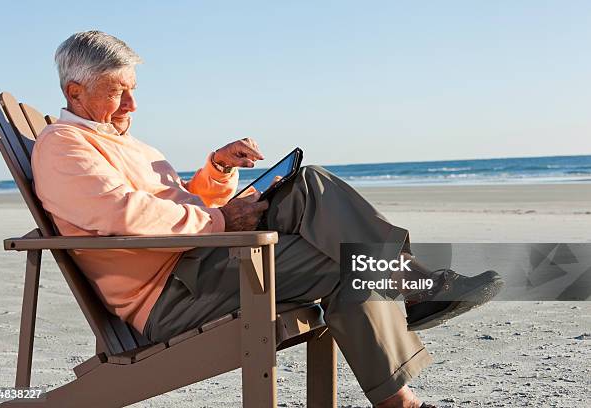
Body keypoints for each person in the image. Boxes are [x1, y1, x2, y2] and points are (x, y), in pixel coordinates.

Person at [32, 30, 502, 408]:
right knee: (344, 262)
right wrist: (220, 221)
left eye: (133, 91)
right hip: (167, 294)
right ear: (76, 91)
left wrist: (218, 170)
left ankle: (414, 289)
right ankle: (407, 354)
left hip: (197, 262)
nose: (132, 106)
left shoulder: (126, 143)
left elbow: (177, 203)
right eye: (120, 93)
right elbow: (123, 215)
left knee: (309, 185)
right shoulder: (64, 146)